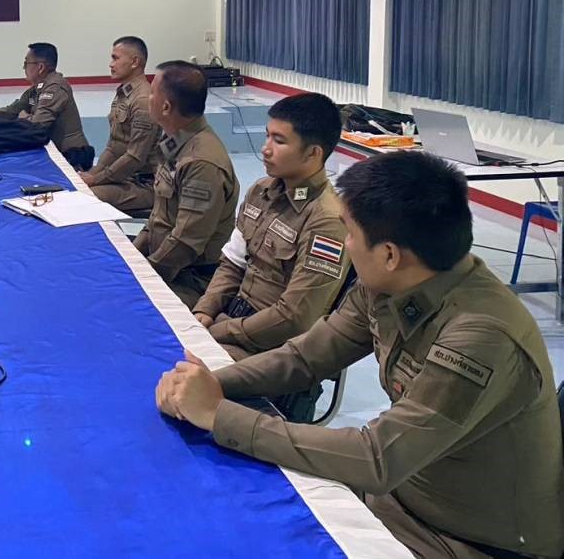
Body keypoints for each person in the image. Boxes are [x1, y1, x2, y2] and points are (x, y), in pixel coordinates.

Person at [155, 151, 564, 559]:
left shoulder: (480, 336)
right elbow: (306, 357)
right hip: (399, 498)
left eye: (349, 234)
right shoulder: (392, 282)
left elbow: (376, 457)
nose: (346, 244)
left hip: (464, 539)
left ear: (389, 254)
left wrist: (218, 415)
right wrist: (210, 384)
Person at [192, 93, 349, 360]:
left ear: (313, 153)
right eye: (267, 136)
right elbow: (233, 264)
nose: (265, 148)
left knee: (172, 370)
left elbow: (294, 318)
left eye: (279, 140)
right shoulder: (261, 191)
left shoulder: (326, 221)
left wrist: (219, 331)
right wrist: (204, 311)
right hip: (231, 322)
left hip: (274, 351)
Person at [132, 60, 239, 307]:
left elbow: (186, 243)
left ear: (166, 107)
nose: (147, 98)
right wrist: (131, 259)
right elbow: (157, 218)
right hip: (165, 264)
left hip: (190, 279)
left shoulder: (201, 162)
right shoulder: (177, 143)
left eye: (152, 92)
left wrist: (142, 277)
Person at [79, 36, 160, 211]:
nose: (111, 64)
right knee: (77, 187)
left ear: (134, 62)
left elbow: (135, 157)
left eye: (115, 58)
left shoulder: (143, 100)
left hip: (145, 185)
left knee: (84, 199)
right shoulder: (124, 94)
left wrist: (96, 179)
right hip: (124, 178)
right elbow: (113, 146)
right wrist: (91, 175)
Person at [0, 42, 93, 170]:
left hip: (72, 157)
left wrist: (24, 117)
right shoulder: (36, 89)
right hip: (55, 154)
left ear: (40, 67)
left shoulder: (55, 88)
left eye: (26, 63)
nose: (23, 68)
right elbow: (11, 111)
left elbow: (37, 126)